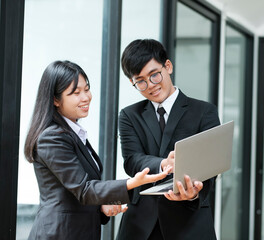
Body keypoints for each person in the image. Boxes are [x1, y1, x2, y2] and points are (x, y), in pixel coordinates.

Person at [24, 60, 171, 240]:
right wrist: (131, 182)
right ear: (55, 99)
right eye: (76, 93)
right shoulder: (52, 138)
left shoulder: (72, 132)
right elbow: (84, 189)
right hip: (58, 234)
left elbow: (75, 195)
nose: (86, 97)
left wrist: (101, 207)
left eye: (86, 89)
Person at [116, 39, 220, 240]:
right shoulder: (129, 115)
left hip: (189, 221)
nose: (150, 86)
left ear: (168, 67)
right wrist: (164, 164)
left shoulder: (204, 112)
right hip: (142, 226)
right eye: (141, 81)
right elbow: (132, 160)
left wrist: (195, 192)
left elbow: (211, 165)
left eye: (155, 75)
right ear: (132, 83)